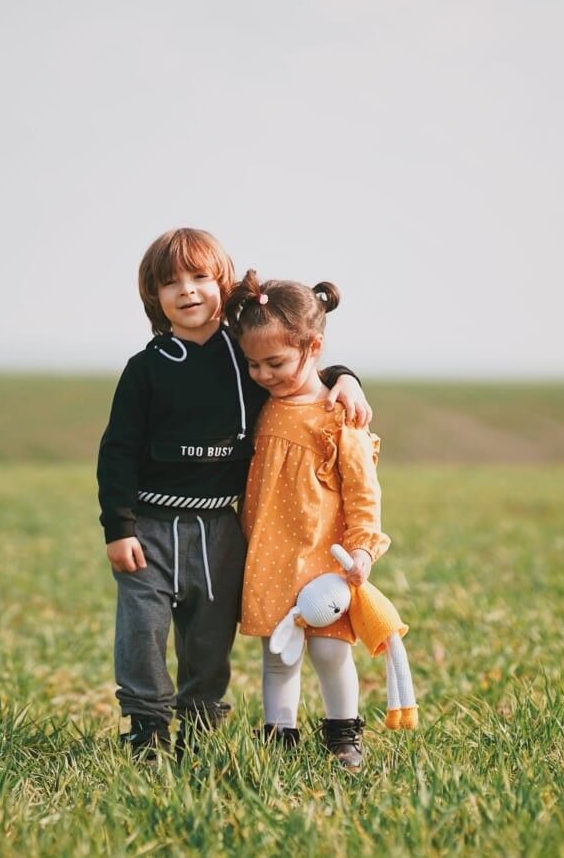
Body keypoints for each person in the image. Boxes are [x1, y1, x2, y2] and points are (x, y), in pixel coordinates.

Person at [96, 228, 372, 759]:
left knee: (208, 638)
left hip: (224, 528)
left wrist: (347, 377)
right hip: (151, 527)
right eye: (171, 281)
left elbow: (295, 373)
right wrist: (119, 526)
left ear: (222, 283)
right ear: (153, 296)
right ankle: (147, 730)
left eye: (201, 276)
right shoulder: (146, 370)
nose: (188, 290)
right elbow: (118, 451)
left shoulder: (244, 357)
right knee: (142, 634)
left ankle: (200, 730)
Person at [226, 270, 391, 771]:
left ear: (313, 346)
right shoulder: (262, 407)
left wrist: (362, 550)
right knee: (278, 655)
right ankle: (280, 737)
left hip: (323, 561)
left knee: (328, 654)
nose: (263, 374)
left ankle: (343, 735)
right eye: (253, 364)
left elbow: (365, 493)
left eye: (275, 362)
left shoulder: (340, 416)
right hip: (270, 554)